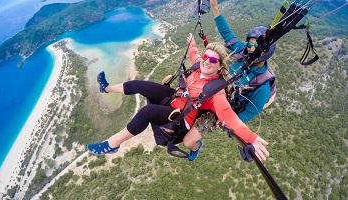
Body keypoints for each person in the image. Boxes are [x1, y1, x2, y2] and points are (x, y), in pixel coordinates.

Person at [87, 40, 269, 162]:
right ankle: (108, 88)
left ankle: (112, 144)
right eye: (206, 56)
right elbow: (194, 54)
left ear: (220, 67)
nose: (206, 61)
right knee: (139, 85)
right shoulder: (200, 66)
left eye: (213, 60)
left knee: (146, 112)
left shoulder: (217, 91)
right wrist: (192, 42)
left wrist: (250, 138)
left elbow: (228, 116)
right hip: (176, 98)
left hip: (183, 118)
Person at [182, 0, 277, 161]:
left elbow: (250, 112)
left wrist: (228, 120)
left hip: (223, 107)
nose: (250, 48)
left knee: (188, 140)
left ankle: (195, 147)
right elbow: (228, 34)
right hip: (213, 85)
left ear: (265, 52)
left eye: (256, 47)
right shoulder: (242, 50)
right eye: (249, 44)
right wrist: (214, 7)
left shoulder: (262, 85)